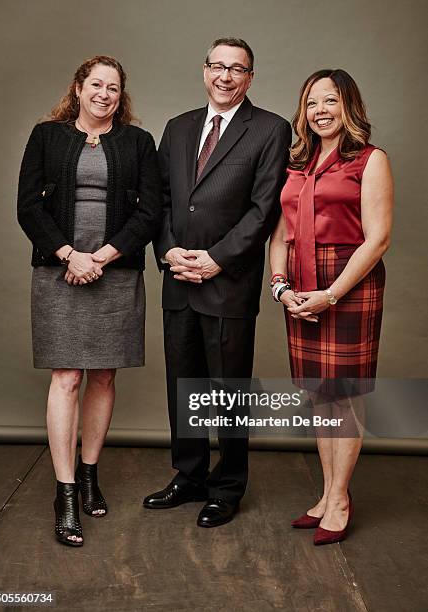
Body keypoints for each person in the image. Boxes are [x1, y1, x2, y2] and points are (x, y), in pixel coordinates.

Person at [144, 38, 291, 527]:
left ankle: (227, 487)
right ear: (204, 71)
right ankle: (188, 476)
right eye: (217, 66)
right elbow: (160, 201)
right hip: (178, 279)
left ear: (250, 77)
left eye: (237, 69)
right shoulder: (178, 127)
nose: (225, 76)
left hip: (228, 283)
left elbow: (263, 209)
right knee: (183, 386)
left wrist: (215, 260)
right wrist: (167, 251)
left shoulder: (270, 129)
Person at [17, 55, 162, 546]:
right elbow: (28, 206)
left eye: (113, 88)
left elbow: (151, 212)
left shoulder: (139, 142)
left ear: (122, 96)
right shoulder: (46, 135)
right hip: (58, 272)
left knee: (102, 374)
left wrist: (101, 255)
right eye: (96, 84)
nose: (104, 94)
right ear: (78, 88)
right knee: (67, 376)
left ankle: (89, 474)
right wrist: (68, 254)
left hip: (114, 271)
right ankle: (65, 493)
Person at [269, 69, 393, 545]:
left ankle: (340, 499)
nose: (320, 110)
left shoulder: (369, 159)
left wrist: (333, 292)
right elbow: (280, 234)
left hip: (349, 281)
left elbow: (378, 238)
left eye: (331, 101)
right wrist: (281, 287)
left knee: (344, 394)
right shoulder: (296, 163)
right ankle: (326, 493)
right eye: (312, 102)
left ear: (349, 107)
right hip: (300, 282)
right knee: (320, 396)